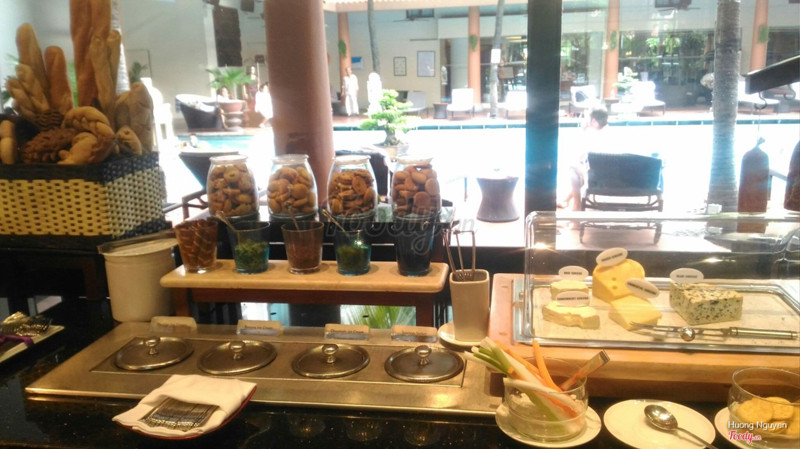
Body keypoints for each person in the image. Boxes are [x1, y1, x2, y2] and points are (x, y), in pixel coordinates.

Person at [559, 107, 610, 211]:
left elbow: (581, 157)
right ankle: (567, 199)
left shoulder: (592, 135)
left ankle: (576, 206)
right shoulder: (609, 132)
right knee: (579, 171)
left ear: (594, 121)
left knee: (573, 170)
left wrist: (582, 131)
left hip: (599, 177)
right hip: (614, 177)